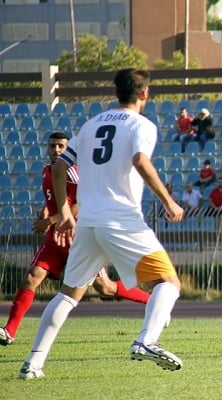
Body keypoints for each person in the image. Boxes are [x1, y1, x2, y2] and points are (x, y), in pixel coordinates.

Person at [18, 69, 185, 379]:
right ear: (145, 94)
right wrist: (168, 201)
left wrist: (65, 211)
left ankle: (33, 364)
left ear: (116, 92)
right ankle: (146, 341)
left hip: (88, 223)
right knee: (169, 282)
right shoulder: (142, 124)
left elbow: (58, 169)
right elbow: (140, 161)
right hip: (121, 219)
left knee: (68, 294)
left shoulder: (92, 124)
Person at [0, 131, 150, 348]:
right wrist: (45, 212)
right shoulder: (46, 172)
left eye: (61, 146)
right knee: (32, 277)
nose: (56, 150)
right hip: (55, 238)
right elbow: (57, 199)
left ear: (69, 149)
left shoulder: (74, 173)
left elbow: (85, 201)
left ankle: (152, 302)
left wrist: (50, 220)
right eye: (53, 146)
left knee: (104, 287)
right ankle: (9, 331)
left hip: (80, 238)